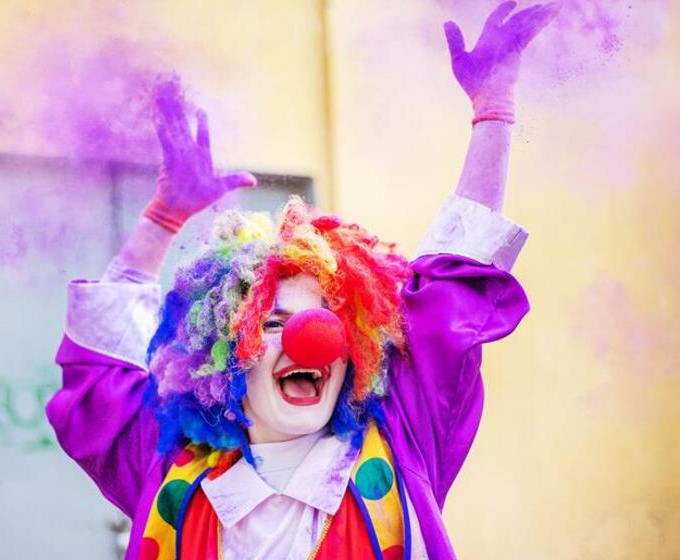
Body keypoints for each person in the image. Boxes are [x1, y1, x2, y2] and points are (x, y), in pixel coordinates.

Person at [46, 3, 557, 559]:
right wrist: (162, 220)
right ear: (223, 358)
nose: (311, 337)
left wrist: (493, 112)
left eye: (329, 319)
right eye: (272, 323)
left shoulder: (404, 439)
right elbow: (99, 378)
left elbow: (450, 291)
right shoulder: (169, 465)